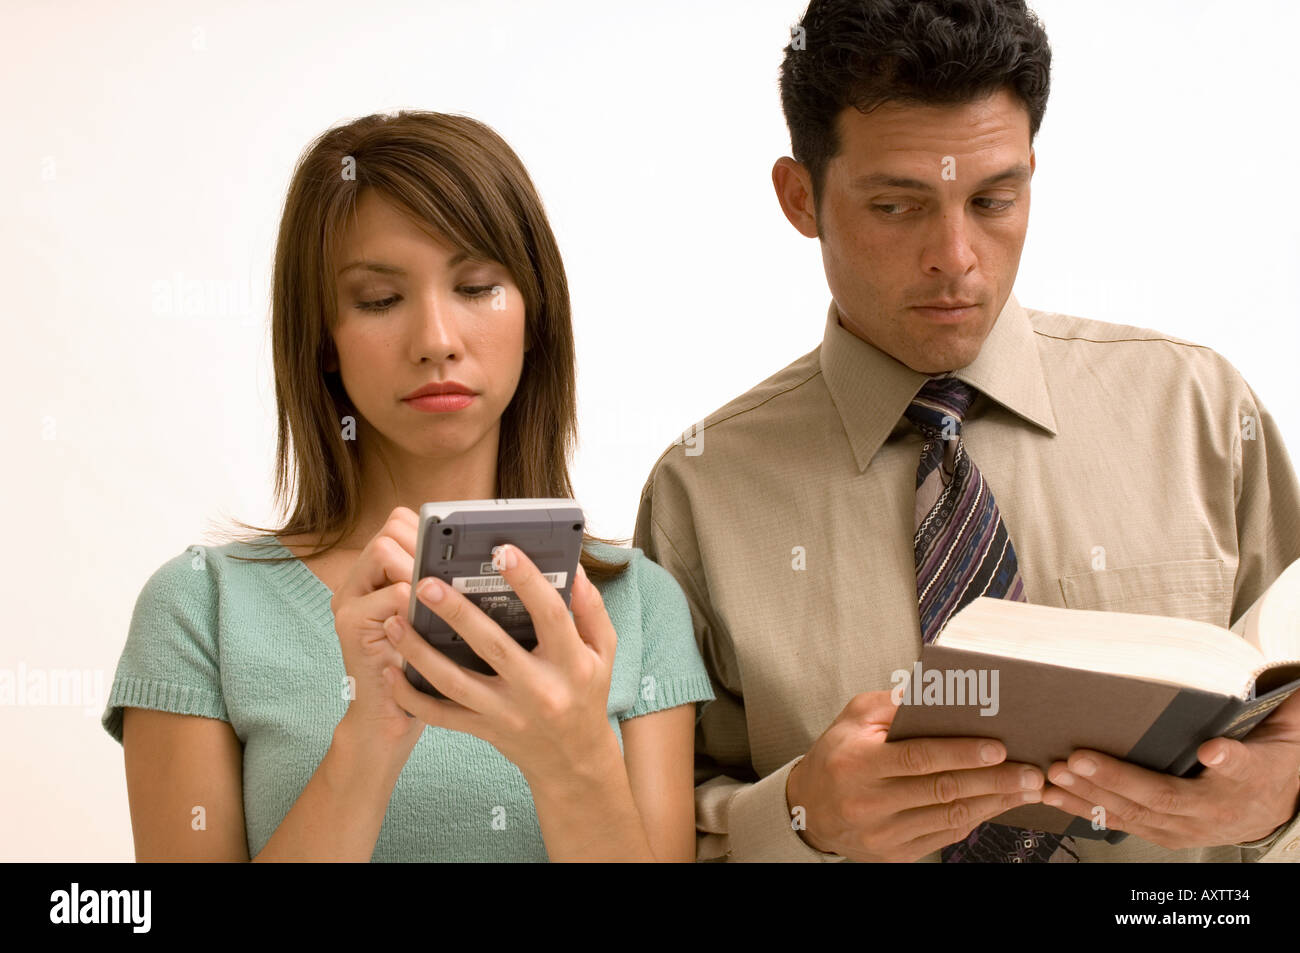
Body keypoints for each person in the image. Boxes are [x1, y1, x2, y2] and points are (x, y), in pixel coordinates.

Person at [633, 0, 1300, 862]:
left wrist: (1282, 790)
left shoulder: (1199, 413)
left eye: (993, 197)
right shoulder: (700, 491)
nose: (957, 255)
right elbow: (642, 828)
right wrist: (798, 815)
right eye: (897, 206)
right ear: (800, 197)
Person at [101, 110, 714, 862]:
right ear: (322, 339)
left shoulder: (637, 606)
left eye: (478, 285)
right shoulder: (201, 607)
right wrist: (368, 734)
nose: (435, 341)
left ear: (535, 315)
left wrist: (574, 756)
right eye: (379, 300)